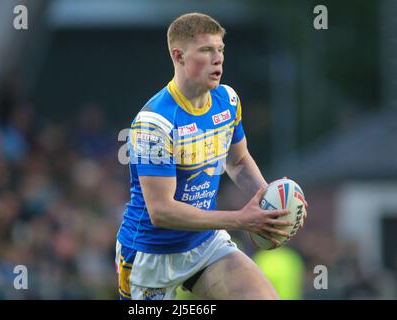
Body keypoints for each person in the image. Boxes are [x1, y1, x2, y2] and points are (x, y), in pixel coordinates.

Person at [115, 12, 306, 300]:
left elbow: (238, 162)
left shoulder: (227, 101)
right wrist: (240, 220)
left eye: (220, 50)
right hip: (150, 254)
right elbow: (161, 211)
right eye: (206, 50)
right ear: (178, 56)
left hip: (205, 244)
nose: (218, 59)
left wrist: (271, 209)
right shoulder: (155, 122)